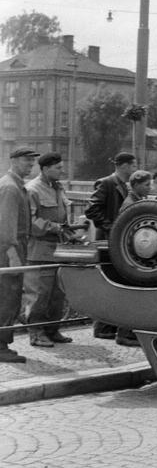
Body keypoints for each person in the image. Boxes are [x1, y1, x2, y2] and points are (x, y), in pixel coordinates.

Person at [23, 152, 76, 348]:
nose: (62, 170)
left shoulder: (57, 188)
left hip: (58, 249)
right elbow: (31, 222)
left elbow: (64, 215)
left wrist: (70, 230)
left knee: (57, 294)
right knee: (39, 295)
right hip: (39, 250)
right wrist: (54, 227)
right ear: (45, 169)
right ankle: (36, 334)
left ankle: (53, 330)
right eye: (58, 168)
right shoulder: (32, 190)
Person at [85, 151, 137, 344]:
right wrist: (110, 227)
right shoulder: (106, 183)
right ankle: (102, 328)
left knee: (115, 281)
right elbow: (91, 209)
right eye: (133, 165)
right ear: (123, 166)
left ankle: (107, 328)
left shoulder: (124, 185)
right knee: (109, 283)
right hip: (107, 242)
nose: (134, 169)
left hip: (116, 242)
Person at [0, 147, 39, 363]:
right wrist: (13, 255)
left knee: (10, 296)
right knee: (7, 297)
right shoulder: (10, 187)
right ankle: (0, 346)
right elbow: (5, 227)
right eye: (26, 160)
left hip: (15, 247)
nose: (30, 165)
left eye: (32, 161)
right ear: (13, 161)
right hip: (10, 249)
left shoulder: (15, 185)